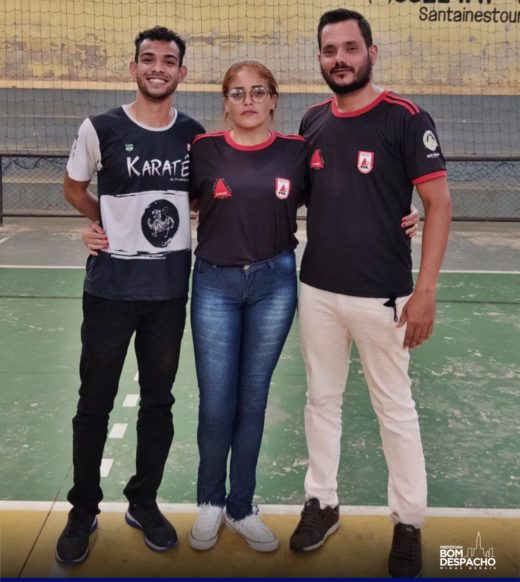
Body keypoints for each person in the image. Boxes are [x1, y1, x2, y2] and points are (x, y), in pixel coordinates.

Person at [184, 61, 419, 554]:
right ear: (225, 102)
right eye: (237, 93)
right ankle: (210, 500)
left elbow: (341, 193)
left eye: (259, 92)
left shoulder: (296, 150)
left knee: (253, 398)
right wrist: (104, 226)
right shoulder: (202, 149)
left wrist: (404, 208)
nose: (248, 101)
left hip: (274, 284)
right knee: (217, 401)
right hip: (214, 285)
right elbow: (162, 200)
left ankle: (241, 506)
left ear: (273, 99)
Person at [288, 9, 452, 579]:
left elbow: (438, 204)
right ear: (320, 58)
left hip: (385, 294)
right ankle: (322, 501)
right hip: (318, 290)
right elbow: (295, 193)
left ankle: (408, 522)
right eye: (330, 50)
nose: (340, 59)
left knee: (394, 409)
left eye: (350, 48)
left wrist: (425, 291)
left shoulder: (405, 117)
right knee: (321, 400)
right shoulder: (311, 120)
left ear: (371, 53)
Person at [55, 26, 204, 564]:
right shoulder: (100, 128)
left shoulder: (193, 136)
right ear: (134, 67)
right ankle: (82, 510)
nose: (158, 67)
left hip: (167, 293)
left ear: (182, 72)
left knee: (158, 403)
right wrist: (102, 222)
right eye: (148, 58)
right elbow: (73, 187)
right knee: (93, 403)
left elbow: (204, 200)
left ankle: (143, 501)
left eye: (168, 60)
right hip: (110, 293)